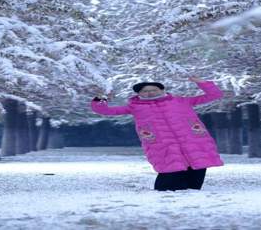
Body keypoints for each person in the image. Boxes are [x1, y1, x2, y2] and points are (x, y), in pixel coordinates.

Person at [91, 77, 224, 191]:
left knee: (197, 169)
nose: (150, 93)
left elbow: (214, 95)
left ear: (162, 90)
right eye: (145, 91)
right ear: (139, 94)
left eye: (154, 90)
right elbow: (105, 110)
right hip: (162, 145)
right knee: (169, 175)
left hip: (192, 141)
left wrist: (202, 82)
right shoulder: (135, 107)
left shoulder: (181, 101)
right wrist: (101, 98)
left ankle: (191, 201)